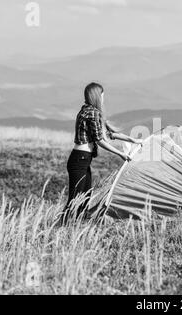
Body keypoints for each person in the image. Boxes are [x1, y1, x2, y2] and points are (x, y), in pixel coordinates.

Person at [59, 82, 142, 224]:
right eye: (102, 95)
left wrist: (132, 139)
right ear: (97, 96)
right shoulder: (92, 113)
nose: (104, 98)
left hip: (82, 159)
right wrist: (120, 154)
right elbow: (100, 140)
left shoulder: (88, 110)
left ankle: (76, 226)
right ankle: (62, 227)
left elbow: (108, 134)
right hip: (80, 160)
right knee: (75, 198)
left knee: (84, 196)